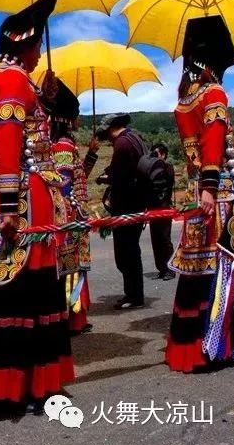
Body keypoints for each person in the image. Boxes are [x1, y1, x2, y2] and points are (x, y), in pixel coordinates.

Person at [0, 0, 73, 412]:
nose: (41, 52)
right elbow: (8, 143)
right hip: (22, 202)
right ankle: (21, 382)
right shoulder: (10, 80)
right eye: (38, 43)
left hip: (13, 197)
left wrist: (43, 96)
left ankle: (4, 381)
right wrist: (10, 208)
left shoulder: (5, 80)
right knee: (25, 292)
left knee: (7, 293)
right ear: (25, 41)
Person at [167, 16, 234, 371]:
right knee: (221, 267)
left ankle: (186, 346)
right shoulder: (213, 94)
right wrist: (213, 188)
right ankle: (214, 345)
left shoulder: (185, 99)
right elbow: (214, 141)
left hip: (195, 192)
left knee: (196, 270)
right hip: (218, 192)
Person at [48, 83, 97, 335]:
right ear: (68, 118)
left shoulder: (58, 144)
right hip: (70, 218)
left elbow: (79, 178)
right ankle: (72, 317)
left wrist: (91, 156)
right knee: (71, 267)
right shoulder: (65, 145)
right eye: (77, 115)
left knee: (70, 268)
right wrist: (73, 216)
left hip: (68, 215)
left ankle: (72, 316)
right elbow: (66, 185)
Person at [95, 113, 148, 309]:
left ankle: (133, 295)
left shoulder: (122, 144)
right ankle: (134, 293)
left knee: (126, 251)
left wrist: (104, 178)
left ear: (111, 128)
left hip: (126, 204)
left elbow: (119, 176)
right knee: (132, 249)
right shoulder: (135, 138)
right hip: (137, 202)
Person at [148, 143, 176, 281]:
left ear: (163, 155)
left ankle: (170, 269)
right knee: (156, 240)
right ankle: (161, 268)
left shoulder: (168, 167)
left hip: (164, 209)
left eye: (156, 153)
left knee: (165, 240)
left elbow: (168, 181)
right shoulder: (152, 170)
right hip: (153, 209)